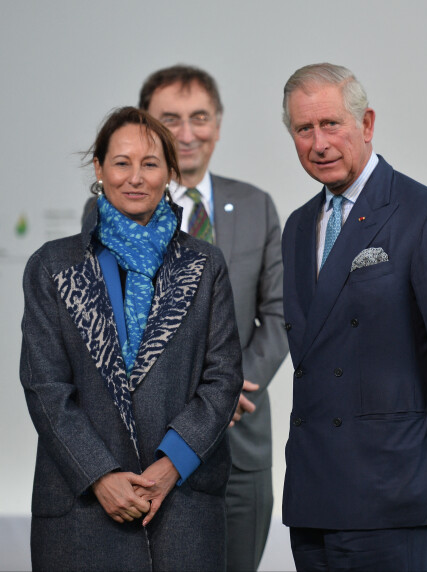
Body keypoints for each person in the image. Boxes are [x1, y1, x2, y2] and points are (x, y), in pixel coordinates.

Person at [21, 106, 243, 571]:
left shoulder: (204, 265)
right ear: (99, 168)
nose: (135, 177)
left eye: (150, 164)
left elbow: (222, 379)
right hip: (81, 509)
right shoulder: (53, 265)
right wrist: (100, 475)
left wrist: (170, 466)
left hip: (181, 508)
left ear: (169, 173)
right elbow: (46, 387)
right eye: (121, 162)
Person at [84, 65, 288, 571]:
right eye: (169, 119)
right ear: (145, 126)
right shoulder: (107, 211)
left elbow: (280, 312)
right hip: (144, 447)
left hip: (240, 436)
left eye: (200, 117)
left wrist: (236, 386)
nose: (187, 133)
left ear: (218, 123)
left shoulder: (257, 205)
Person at [280, 62, 427, 571]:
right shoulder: (300, 226)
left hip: (390, 491)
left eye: (331, 125)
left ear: (366, 124)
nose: (319, 142)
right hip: (313, 493)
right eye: (304, 129)